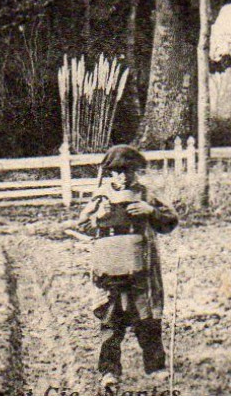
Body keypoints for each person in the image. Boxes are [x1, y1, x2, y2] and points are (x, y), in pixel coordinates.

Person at [64, 144, 180, 394]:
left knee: (146, 316)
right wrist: (97, 218)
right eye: (117, 172)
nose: (122, 177)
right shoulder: (100, 197)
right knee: (111, 319)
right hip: (109, 267)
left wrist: (150, 212)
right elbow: (80, 226)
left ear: (135, 172)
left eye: (128, 171)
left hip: (141, 265)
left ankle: (156, 366)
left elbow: (171, 221)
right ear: (109, 174)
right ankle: (108, 372)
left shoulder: (146, 194)